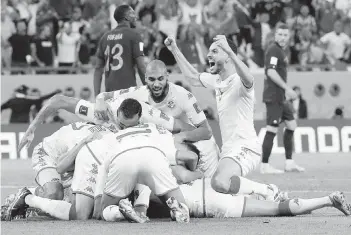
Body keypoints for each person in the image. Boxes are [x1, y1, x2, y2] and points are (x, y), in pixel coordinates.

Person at [164, 35, 281, 200]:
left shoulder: (240, 83)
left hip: (246, 147)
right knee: (211, 189)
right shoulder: (217, 80)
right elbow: (192, 77)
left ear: (227, 55)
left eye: (215, 51)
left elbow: (250, 78)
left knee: (219, 182)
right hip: (227, 150)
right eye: (210, 51)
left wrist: (231, 51)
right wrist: (174, 50)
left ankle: (268, 190)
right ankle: (251, 197)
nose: (209, 55)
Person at [96, 59, 219, 177]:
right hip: (164, 148)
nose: (156, 84)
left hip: (193, 146)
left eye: (160, 79)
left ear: (167, 76)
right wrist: (100, 101)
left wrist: (181, 136)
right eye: (151, 79)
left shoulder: (183, 95)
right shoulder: (138, 92)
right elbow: (105, 95)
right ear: (145, 78)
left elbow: (206, 131)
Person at [18, 94, 194, 152]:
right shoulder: (102, 113)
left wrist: (180, 141)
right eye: (121, 124)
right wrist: (32, 128)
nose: (124, 128)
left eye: (128, 126)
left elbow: (183, 126)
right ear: (115, 113)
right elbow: (58, 101)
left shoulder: (152, 116)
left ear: (140, 118)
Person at [137, 175, 351, 219]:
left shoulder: (139, 190)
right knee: (226, 179)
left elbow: (141, 203)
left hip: (207, 204)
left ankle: (328, 200)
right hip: (203, 186)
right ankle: (266, 190)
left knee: (278, 210)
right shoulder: (151, 174)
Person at [261, 24, 305, 174]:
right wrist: (287, 88)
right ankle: (265, 165)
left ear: (289, 36)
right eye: (280, 34)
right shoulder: (273, 50)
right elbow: (271, 72)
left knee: (291, 125)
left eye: (285, 35)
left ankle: (289, 163)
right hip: (273, 96)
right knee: (272, 129)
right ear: (275, 35)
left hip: (281, 98)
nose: (282, 37)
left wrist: (285, 92)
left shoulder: (281, 51)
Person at [94, 4, 146, 96]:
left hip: (110, 92)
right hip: (128, 91)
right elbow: (141, 67)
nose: (136, 17)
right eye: (133, 13)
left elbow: (98, 69)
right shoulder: (135, 36)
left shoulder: (104, 37)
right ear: (126, 17)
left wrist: (97, 95)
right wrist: (149, 90)